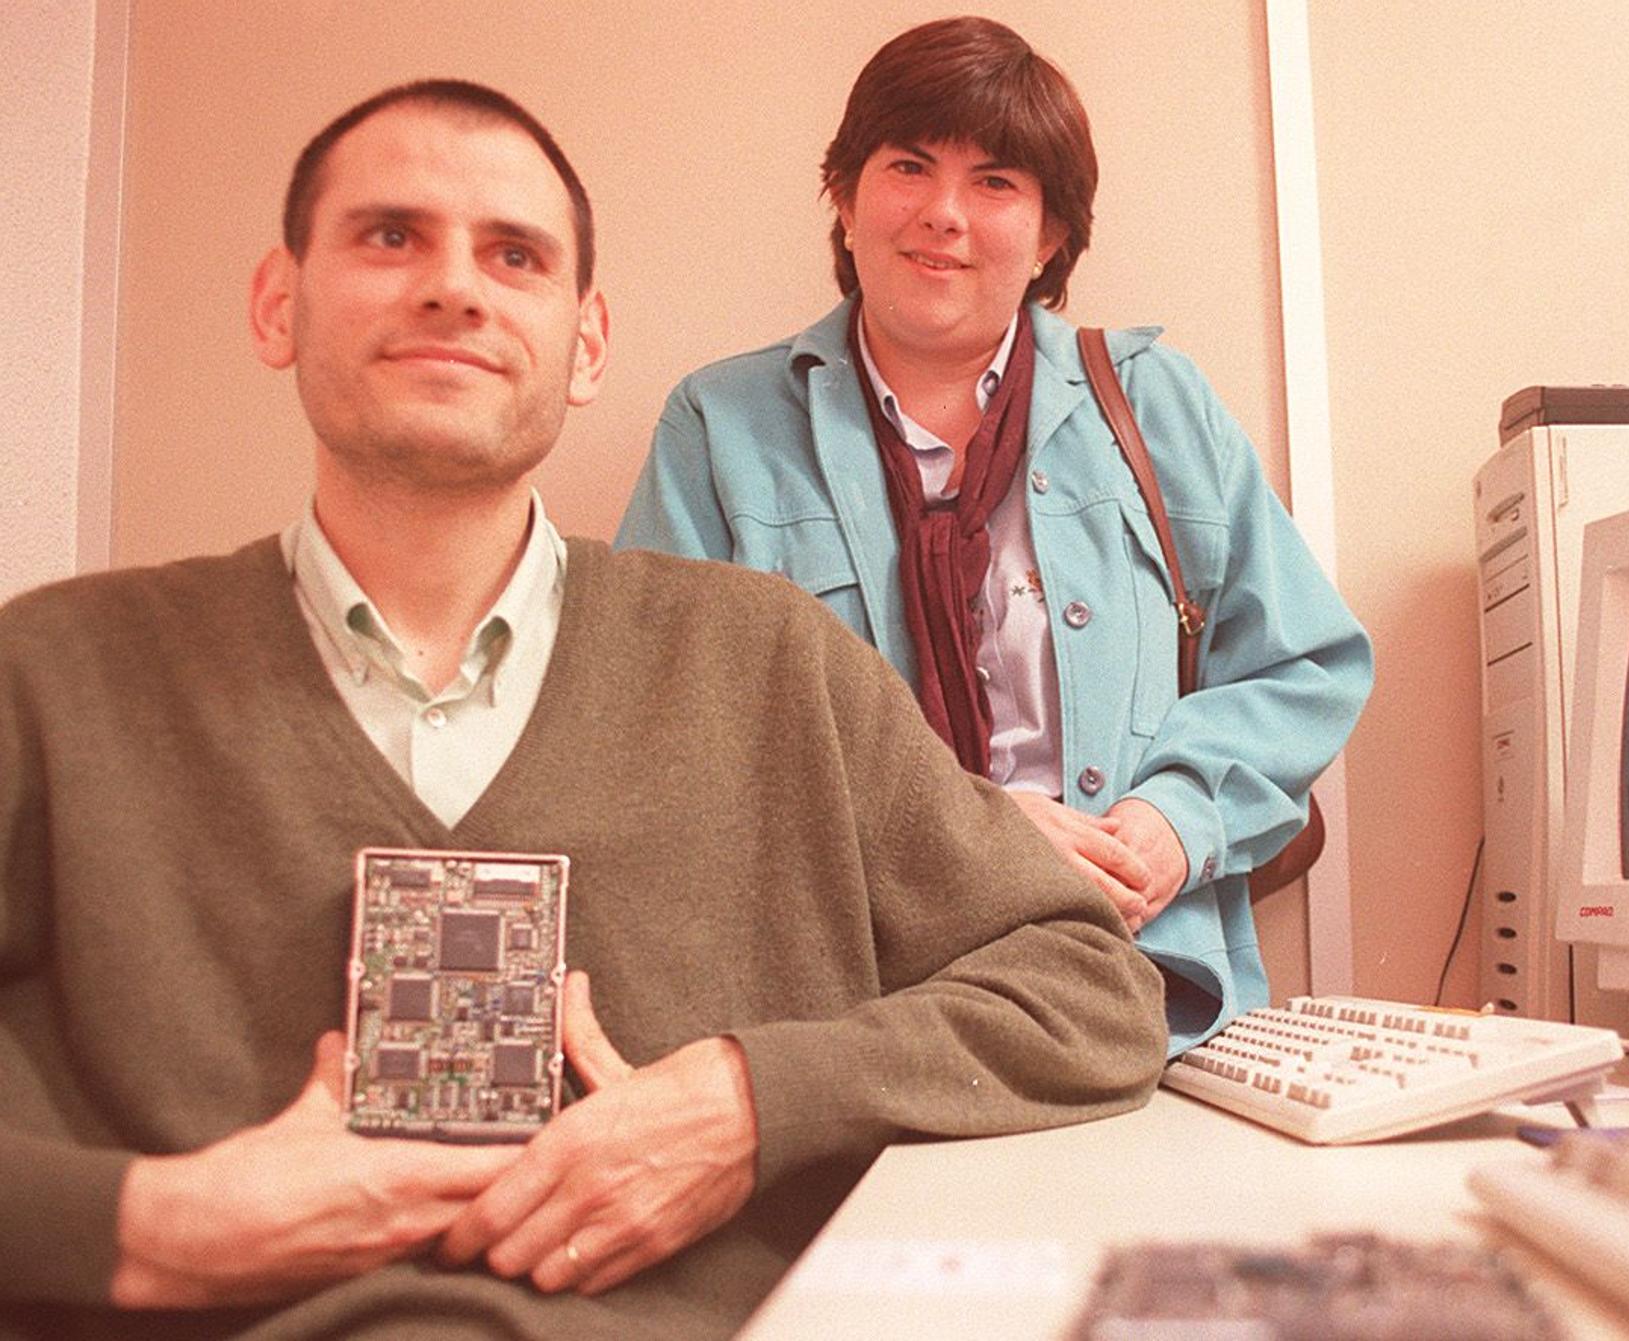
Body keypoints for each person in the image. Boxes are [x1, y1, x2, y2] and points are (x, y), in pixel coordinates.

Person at [0, 80, 1166, 1340]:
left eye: (514, 254)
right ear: (278, 304)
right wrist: (148, 1229)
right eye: (391, 236)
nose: (453, 287)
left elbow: (1092, 993)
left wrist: (751, 1100)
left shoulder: (772, 663)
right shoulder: (56, 677)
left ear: (587, 343)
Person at [617, 17, 1372, 1053]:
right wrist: (956, 830)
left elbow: (1305, 664)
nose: (943, 215)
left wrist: (1177, 821)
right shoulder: (718, 427)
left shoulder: (1153, 403)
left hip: (1145, 995)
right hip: (845, 1008)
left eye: (997, 183)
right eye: (909, 167)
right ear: (844, 196)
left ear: (1053, 233)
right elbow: (666, 736)